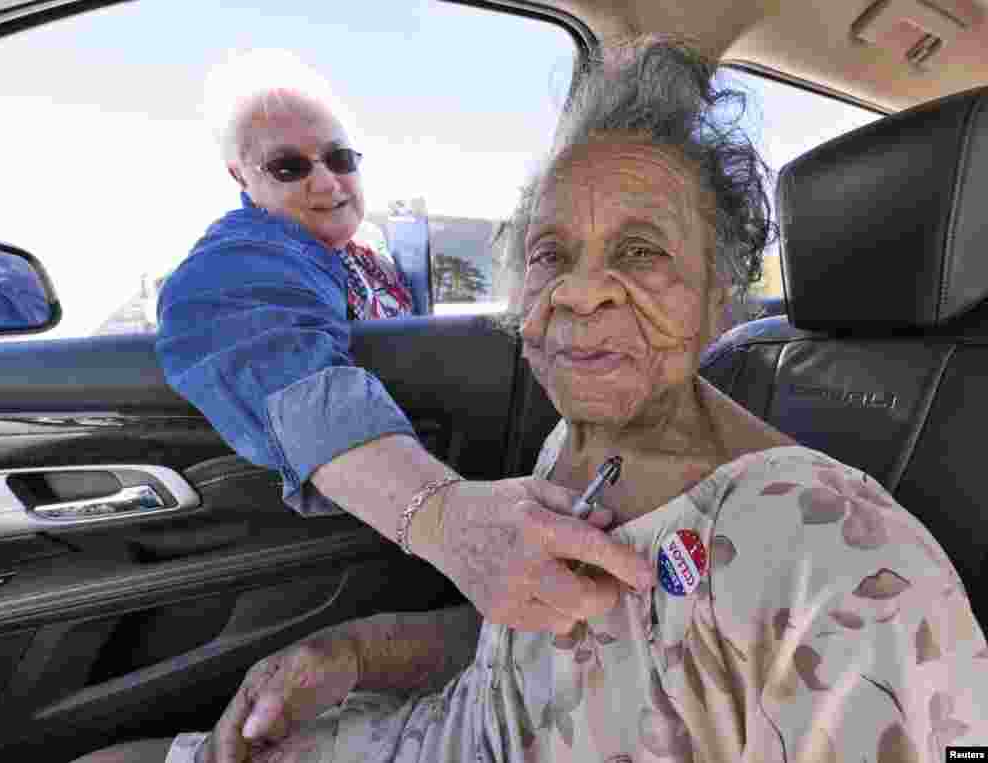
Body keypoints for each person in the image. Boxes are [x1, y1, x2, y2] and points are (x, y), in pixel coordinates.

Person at [76, 38, 988, 763]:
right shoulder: (581, 441)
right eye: (552, 254)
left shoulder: (846, 565)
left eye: (640, 253)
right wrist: (351, 653)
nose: (582, 293)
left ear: (722, 297)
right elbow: (544, 635)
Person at [153, 50, 653, 644]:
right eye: (289, 167)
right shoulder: (246, 256)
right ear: (242, 176)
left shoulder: (361, 256)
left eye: (340, 158)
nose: (326, 181)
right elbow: (270, 353)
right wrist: (448, 518)